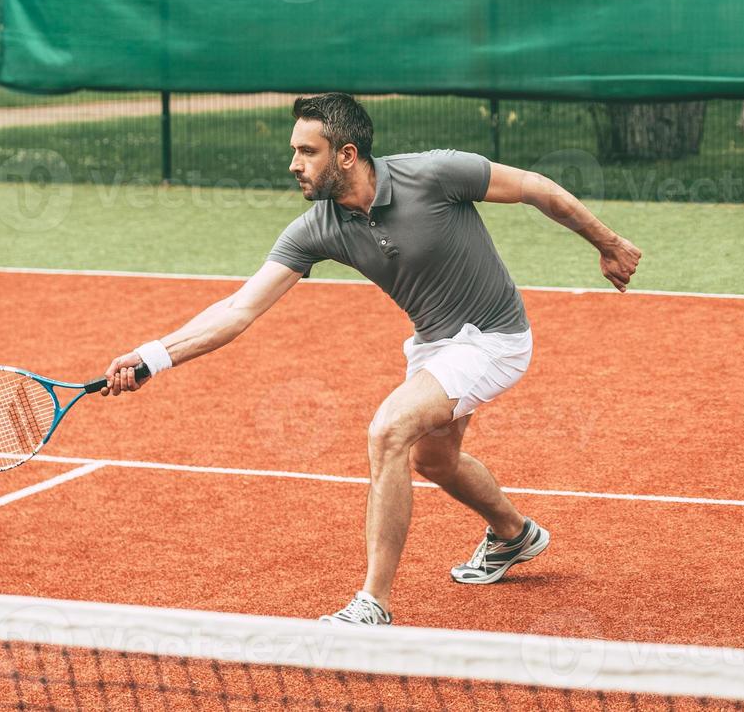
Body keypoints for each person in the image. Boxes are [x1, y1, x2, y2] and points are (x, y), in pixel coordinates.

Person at [102, 93, 641, 625]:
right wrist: (152, 358)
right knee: (433, 461)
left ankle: (372, 604)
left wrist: (608, 243)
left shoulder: (433, 175)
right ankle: (514, 534)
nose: (293, 164)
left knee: (388, 431)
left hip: (494, 338)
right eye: (295, 151)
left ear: (346, 154)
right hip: (435, 344)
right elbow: (239, 309)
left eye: (307, 151)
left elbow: (533, 187)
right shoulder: (317, 228)